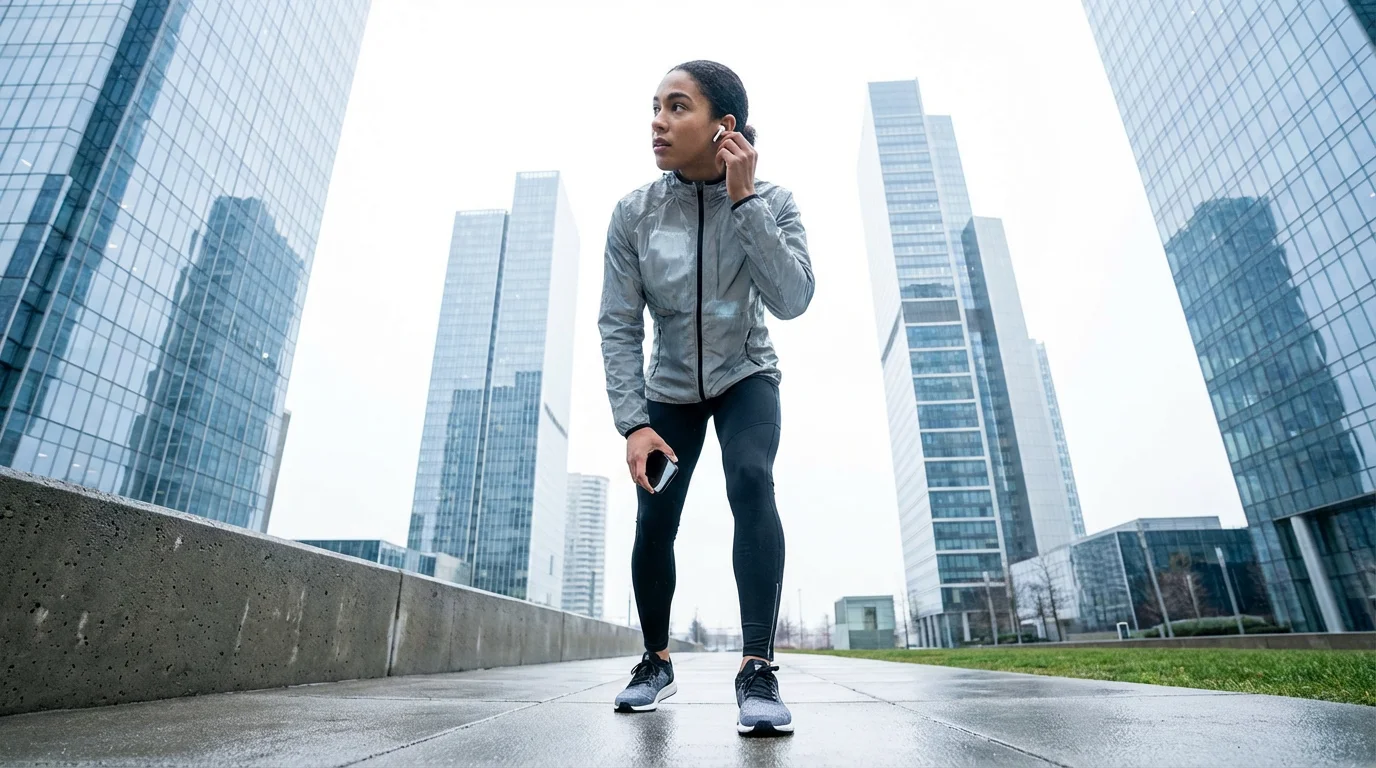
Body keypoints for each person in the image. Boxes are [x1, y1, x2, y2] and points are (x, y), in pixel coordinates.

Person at [597, 59, 814, 735]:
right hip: (667, 391)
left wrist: (744, 201)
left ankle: (757, 668)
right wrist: (633, 422)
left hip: (746, 373)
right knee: (654, 517)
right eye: (655, 106)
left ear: (724, 126)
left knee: (752, 479)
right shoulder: (633, 214)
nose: (659, 121)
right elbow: (618, 323)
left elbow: (794, 298)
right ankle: (656, 661)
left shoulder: (772, 201)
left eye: (677, 106)